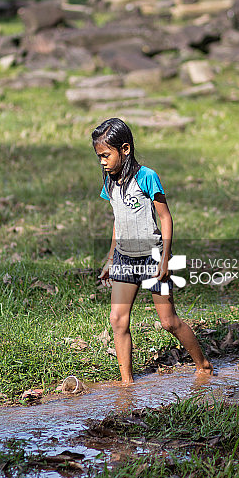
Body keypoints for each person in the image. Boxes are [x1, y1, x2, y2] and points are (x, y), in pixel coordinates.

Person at [92, 117, 213, 383]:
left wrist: (166, 258)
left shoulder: (147, 177)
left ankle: (203, 365)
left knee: (169, 321)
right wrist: (111, 258)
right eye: (99, 156)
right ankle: (127, 383)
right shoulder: (110, 181)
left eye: (105, 155)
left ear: (125, 149)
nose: (102, 161)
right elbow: (118, 220)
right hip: (124, 257)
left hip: (152, 257)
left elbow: (165, 217)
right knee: (118, 319)